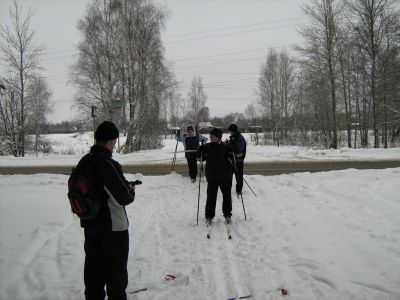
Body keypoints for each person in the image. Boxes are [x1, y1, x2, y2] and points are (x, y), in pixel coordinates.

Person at [76, 121, 136, 300]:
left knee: (93, 271)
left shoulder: (84, 161)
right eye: (115, 140)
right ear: (111, 141)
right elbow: (123, 197)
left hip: (90, 225)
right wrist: (131, 189)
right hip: (113, 229)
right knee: (115, 273)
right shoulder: (108, 164)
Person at [198, 128, 233, 225]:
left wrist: (231, 149)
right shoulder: (207, 147)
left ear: (218, 137)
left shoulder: (225, 146)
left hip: (224, 177)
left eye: (212, 136)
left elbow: (234, 155)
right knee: (211, 198)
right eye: (210, 136)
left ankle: (227, 215)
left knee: (227, 197)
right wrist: (199, 151)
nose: (210, 137)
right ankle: (209, 216)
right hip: (212, 177)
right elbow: (200, 158)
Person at [227, 124, 247, 196]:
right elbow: (232, 147)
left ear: (233, 131)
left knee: (238, 176)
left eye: (230, 131)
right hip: (232, 160)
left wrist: (231, 144)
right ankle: (228, 189)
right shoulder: (234, 137)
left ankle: (239, 190)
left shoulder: (240, 138)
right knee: (229, 175)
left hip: (239, 161)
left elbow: (238, 150)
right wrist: (228, 143)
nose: (229, 132)